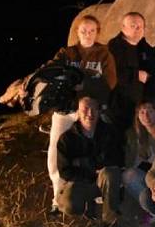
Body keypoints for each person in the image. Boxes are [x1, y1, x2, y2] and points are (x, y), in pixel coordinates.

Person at [43, 15, 117, 214]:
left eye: (92, 30)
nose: (87, 34)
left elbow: (109, 83)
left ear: (98, 32)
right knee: (55, 152)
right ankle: (57, 198)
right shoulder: (67, 53)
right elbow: (50, 70)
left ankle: (95, 192)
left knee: (94, 150)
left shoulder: (104, 54)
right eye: (83, 30)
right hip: (66, 109)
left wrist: (86, 84)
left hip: (91, 109)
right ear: (77, 32)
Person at [56, 96, 123, 227]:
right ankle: (88, 203)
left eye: (94, 109)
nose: (90, 114)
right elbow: (65, 170)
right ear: (78, 113)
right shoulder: (67, 138)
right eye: (85, 110)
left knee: (111, 173)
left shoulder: (109, 133)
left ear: (99, 112)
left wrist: (82, 162)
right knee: (70, 206)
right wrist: (92, 170)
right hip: (82, 182)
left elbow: (117, 158)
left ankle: (109, 222)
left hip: (103, 181)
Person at [122, 98, 155, 227]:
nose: (146, 116)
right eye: (142, 112)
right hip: (150, 175)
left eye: (150, 111)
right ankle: (153, 209)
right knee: (129, 175)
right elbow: (134, 162)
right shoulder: (136, 135)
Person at [108, 12, 152, 130]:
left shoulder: (145, 47)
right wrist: (136, 75)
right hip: (120, 109)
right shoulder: (113, 48)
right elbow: (111, 74)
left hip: (141, 109)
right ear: (123, 27)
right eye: (133, 26)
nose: (137, 29)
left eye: (140, 27)